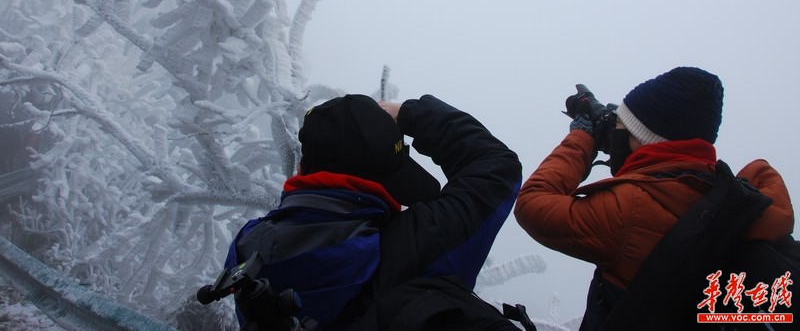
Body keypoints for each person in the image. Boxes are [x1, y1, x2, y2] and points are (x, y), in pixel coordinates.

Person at [514, 67, 795, 330]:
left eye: (621, 126)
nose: (616, 133)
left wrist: (582, 137)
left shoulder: (631, 208)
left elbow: (532, 203)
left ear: (642, 138)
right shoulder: (734, 202)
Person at [225, 93, 523, 330]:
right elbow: (496, 167)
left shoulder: (247, 251)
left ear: (302, 170)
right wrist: (409, 114)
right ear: (380, 185)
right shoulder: (417, 245)